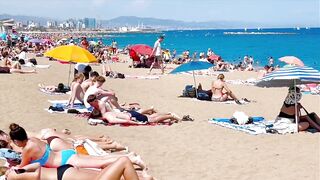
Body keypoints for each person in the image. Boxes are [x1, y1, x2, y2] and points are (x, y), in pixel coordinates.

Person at [8, 123, 146, 170]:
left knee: (101, 162)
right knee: (99, 159)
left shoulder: (27, 149)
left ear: (16, 140)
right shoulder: (33, 140)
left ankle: (131, 159)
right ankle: (130, 157)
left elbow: (22, 168)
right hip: (65, 154)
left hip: (64, 161)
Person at [87, 95, 191, 125]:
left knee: (151, 120)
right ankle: (169, 114)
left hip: (129, 116)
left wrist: (135, 123)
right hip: (128, 113)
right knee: (149, 117)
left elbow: (107, 116)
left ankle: (170, 115)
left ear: (94, 101)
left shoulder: (101, 107)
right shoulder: (100, 103)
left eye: (91, 103)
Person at [5, 159, 140, 180]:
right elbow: (35, 176)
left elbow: (37, 166)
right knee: (124, 161)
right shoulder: (11, 176)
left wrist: (22, 168)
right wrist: (16, 172)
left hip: (64, 171)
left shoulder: (15, 171)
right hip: (62, 175)